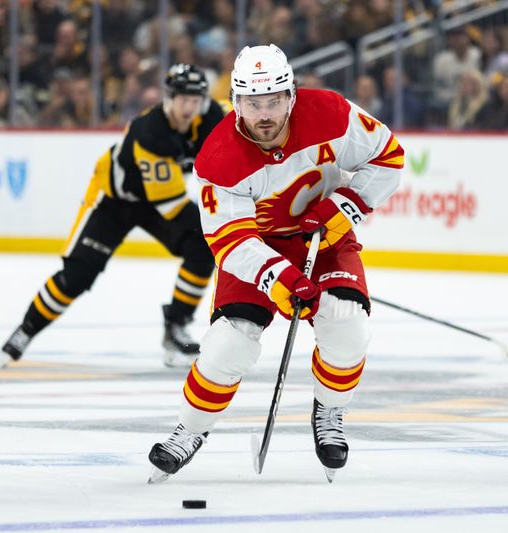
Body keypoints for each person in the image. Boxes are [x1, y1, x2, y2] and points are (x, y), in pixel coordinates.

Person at [147, 44, 403, 482]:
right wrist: (277, 276)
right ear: (236, 102)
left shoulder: (332, 115)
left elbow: (388, 157)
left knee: (346, 324)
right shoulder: (218, 157)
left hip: (322, 238)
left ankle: (330, 412)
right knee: (231, 342)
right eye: (252, 103)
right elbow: (230, 238)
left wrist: (345, 207)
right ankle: (189, 431)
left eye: (273, 102)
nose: (264, 115)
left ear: (291, 96)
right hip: (255, 251)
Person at [0, 64, 225, 369]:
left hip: (155, 199)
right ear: (168, 97)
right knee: (77, 275)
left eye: (196, 99)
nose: (190, 107)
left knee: (202, 243)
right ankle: (25, 330)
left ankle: (176, 328)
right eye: (183, 98)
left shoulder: (212, 117)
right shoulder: (150, 133)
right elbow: (170, 205)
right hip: (114, 200)